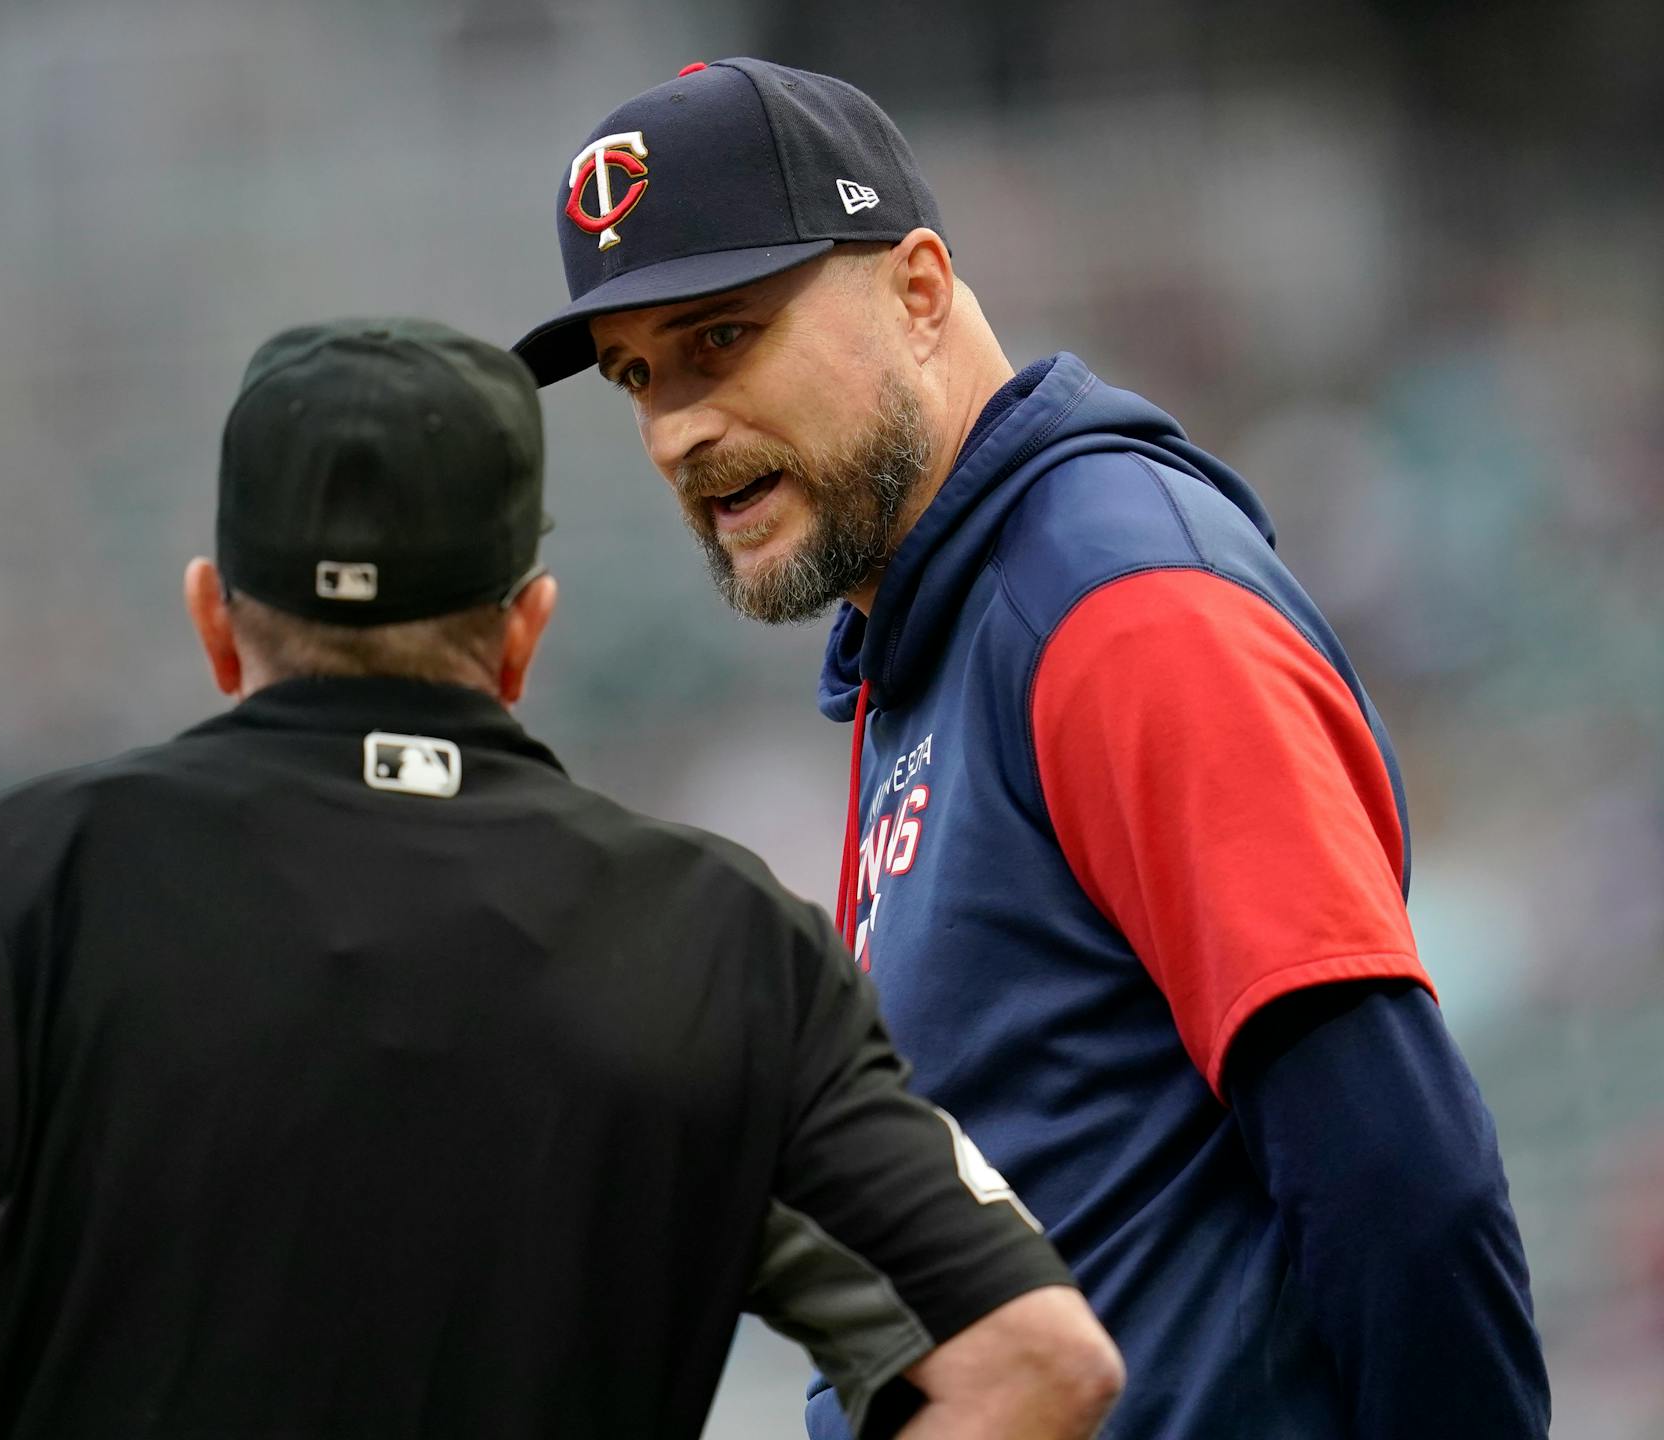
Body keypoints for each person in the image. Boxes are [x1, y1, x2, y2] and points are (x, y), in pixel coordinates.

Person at [0, 318, 1123, 1440]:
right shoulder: (728, 947)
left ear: (214, 617)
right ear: (525, 631)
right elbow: (1039, 1367)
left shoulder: (4, 892)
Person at [515, 58, 1551, 1440]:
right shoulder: (945, 628)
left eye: (723, 339)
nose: (675, 430)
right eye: (638, 376)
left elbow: (1405, 1185)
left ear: (921, 289)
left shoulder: (1114, 607)